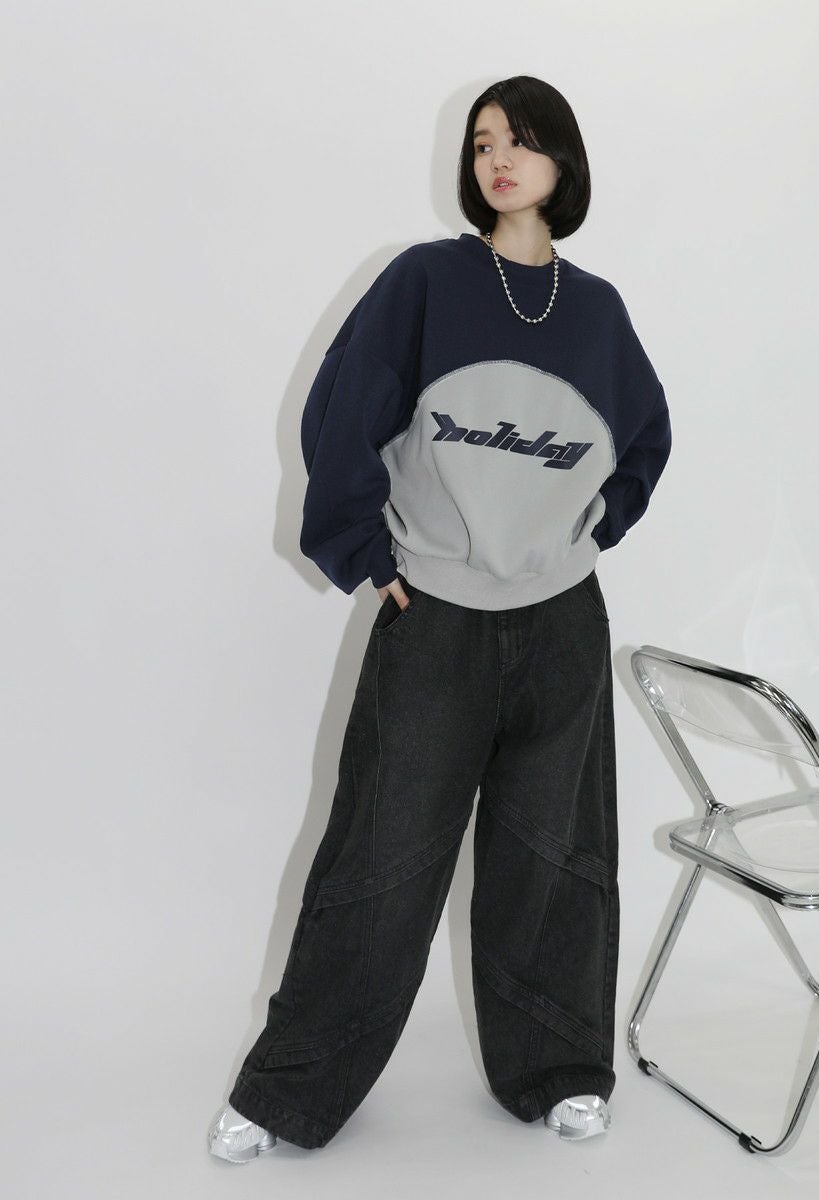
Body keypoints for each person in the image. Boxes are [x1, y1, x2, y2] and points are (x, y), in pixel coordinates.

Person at [208, 74, 672, 1162]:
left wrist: (591, 529)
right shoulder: (426, 281)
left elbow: (646, 437)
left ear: (563, 160)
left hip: (560, 624)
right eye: (481, 143)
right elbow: (340, 413)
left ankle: (560, 1070)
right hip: (437, 619)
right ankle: (289, 1090)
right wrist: (368, 555)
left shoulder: (596, 310)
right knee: (380, 860)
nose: (498, 159)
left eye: (520, 140)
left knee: (554, 857)